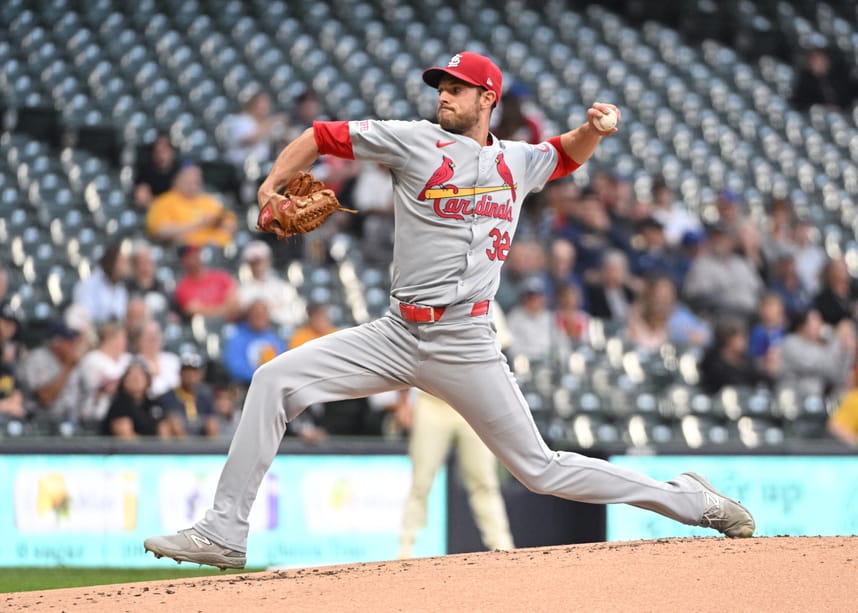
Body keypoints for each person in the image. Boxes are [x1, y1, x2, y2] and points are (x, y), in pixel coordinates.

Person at [144, 51, 754, 570]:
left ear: (487, 98)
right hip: (396, 331)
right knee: (274, 380)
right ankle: (225, 531)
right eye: (441, 86)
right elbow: (321, 135)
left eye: (456, 88)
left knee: (540, 469)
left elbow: (565, 154)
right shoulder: (414, 140)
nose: (444, 94)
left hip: (465, 341)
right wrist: (273, 185)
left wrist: (596, 128)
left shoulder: (517, 161)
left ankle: (688, 499)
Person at [398, 390, 514, 559]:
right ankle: (405, 548)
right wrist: (403, 401)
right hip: (432, 403)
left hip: (473, 403)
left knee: (484, 482)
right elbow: (408, 363)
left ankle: (503, 547)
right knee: (420, 482)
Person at [145, 162, 237, 248]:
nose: (193, 186)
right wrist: (197, 225)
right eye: (189, 181)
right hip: (185, 253)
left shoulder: (208, 201)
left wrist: (219, 225)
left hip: (217, 251)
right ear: (177, 180)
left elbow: (230, 223)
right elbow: (160, 230)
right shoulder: (164, 202)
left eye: (196, 182)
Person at [682, 222, 763, 321]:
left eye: (724, 237)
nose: (720, 241)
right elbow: (695, 298)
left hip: (753, 315)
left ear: (732, 241)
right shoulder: (701, 265)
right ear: (710, 241)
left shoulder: (742, 264)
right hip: (723, 317)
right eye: (716, 238)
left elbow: (760, 290)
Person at [777, 309, 855, 397]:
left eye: (820, 321)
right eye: (815, 321)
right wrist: (834, 338)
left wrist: (844, 349)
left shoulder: (822, 346)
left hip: (814, 401)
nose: (820, 325)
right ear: (802, 325)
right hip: (790, 398)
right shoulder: (791, 342)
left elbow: (837, 376)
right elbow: (812, 363)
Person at [19, 321, 85, 421]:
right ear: (56, 342)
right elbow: (45, 398)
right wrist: (67, 369)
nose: (74, 345)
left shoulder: (71, 361)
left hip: (69, 423)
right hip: (38, 424)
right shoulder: (36, 359)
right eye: (69, 341)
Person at [69, 320, 130, 423]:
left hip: (125, 416)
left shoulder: (128, 359)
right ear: (110, 339)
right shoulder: (91, 359)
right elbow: (104, 387)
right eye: (122, 338)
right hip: (94, 417)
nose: (125, 342)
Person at [237, 240, 305, 330]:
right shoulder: (241, 290)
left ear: (268, 261)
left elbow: (294, 316)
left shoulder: (282, 286)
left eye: (261, 261)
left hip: (280, 331)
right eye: (254, 262)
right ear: (248, 264)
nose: (258, 266)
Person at [697, 318, 775, 395]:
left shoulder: (747, 360)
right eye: (740, 337)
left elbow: (760, 379)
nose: (745, 341)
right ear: (727, 339)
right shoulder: (712, 363)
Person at [222, 299, 286, 385]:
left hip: (273, 385)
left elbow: (284, 364)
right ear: (249, 316)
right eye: (256, 315)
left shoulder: (275, 338)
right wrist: (261, 376)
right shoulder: (238, 338)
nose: (260, 318)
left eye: (263, 315)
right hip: (247, 386)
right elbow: (235, 368)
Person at [102, 357, 170, 438]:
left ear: (148, 380)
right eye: (131, 375)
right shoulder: (120, 403)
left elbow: (165, 430)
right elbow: (125, 436)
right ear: (124, 380)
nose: (136, 378)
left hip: (157, 449)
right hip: (129, 450)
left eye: (140, 374)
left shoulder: (153, 403)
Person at [173, 245, 241, 322]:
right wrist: (225, 309)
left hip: (232, 323)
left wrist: (210, 309)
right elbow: (193, 310)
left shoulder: (220, 276)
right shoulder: (182, 287)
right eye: (188, 256)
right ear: (182, 261)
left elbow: (235, 302)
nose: (192, 259)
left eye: (195, 253)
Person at [222, 90, 287, 168]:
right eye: (262, 104)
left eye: (267, 104)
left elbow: (279, 140)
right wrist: (270, 123)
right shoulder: (239, 120)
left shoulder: (264, 122)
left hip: (261, 166)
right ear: (252, 104)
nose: (266, 107)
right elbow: (248, 140)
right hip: (239, 167)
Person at [160, 351, 218, 437]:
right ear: (180, 373)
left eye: (194, 372)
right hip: (177, 444)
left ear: (200, 375)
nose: (190, 376)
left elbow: (212, 420)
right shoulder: (168, 397)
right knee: (168, 426)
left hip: (203, 442)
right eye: (186, 372)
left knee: (212, 423)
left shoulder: (206, 397)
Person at [72, 242, 130, 325]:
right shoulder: (88, 286)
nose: (125, 267)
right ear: (111, 263)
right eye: (121, 263)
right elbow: (84, 321)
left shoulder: (121, 288)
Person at [506, 276, 555, 361]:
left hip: (548, 364)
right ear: (524, 298)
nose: (534, 300)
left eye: (537, 296)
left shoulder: (550, 317)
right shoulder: (514, 317)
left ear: (543, 298)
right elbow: (511, 347)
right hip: (524, 365)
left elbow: (559, 344)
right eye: (530, 296)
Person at [129, 319, 181, 399]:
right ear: (137, 340)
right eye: (149, 335)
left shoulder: (172, 359)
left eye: (157, 334)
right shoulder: (133, 362)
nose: (154, 338)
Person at [133, 132, 181, 208]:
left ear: (172, 152)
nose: (161, 155)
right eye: (158, 151)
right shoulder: (146, 171)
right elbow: (141, 197)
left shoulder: (180, 171)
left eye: (164, 151)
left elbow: (184, 197)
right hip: (153, 211)